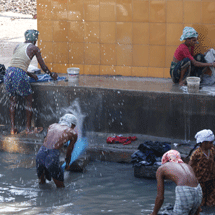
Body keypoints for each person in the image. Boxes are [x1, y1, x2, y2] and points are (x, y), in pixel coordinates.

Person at [4, 29, 58, 134]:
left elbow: (17, 64)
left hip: (8, 73)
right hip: (19, 74)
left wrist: (29, 74)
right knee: (29, 100)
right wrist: (51, 74)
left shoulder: (18, 46)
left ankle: (12, 129)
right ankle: (28, 129)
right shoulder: (34, 48)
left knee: (12, 101)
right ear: (35, 39)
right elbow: (42, 65)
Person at [150, 149, 202, 215]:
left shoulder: (161, 168)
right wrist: (198, 208)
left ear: (165, 159)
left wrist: (154, 213)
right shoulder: (187, 166)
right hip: (198, 190)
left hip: (185, 191)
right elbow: (194, 186)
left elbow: (160, 197)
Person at [36, 114, 78, 188]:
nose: (74, 128)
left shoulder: (52, 126)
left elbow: (49, 140)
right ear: (72, 124)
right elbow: (69, 151)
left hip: (40, 154)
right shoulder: (73, 133)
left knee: (42, 185)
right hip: (52, 157)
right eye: (74, 126)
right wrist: (67, 164)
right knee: (61, 188)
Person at [188, 129, 215, 207]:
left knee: (211, 198)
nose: (212, 145)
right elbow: (190, 165)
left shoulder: (212, 150)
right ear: (204, 143)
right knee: (200, 200)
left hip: (211, 179)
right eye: (211, 143)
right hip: (200, 180)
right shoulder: (196, 153)